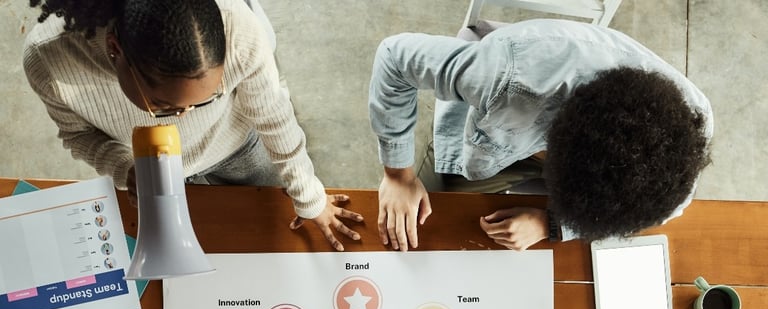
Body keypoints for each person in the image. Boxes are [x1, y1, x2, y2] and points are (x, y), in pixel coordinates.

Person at [24, 0, 364, 251]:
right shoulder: (48, 60)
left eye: (207, 98)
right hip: (149, 171)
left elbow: (273, 115)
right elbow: (78, 134)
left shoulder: (239, 30)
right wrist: (123, 166)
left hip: (237, 144)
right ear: (115, 51)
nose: (184, 117)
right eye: (164, 108)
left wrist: (310, 198)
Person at [369, 20, 713, 251]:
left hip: (574, 155)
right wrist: (398, 176)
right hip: (497, 133)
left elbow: (666, 209)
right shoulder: (505, 73)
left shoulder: (686, 136)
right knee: (437, 208)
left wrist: (553, 225)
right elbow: (395, 58)